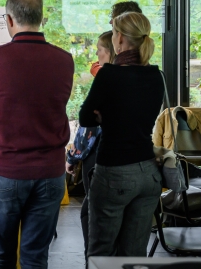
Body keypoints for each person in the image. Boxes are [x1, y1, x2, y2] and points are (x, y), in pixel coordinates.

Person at [0, 0, 74, 269]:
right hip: (50, 172)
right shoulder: (64, 60)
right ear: (41, 18)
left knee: (1, 255)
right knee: (36, 256)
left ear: (9, 20)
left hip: (6, 170)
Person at [79, 11, 164, 258]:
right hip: (149, 172)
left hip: (115, 171)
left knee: (101, 252)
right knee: (134, 254)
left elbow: (85, 117)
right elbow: (140, 114)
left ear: (119, 39)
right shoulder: (156, 75)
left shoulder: (109, 74)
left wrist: (104, 116)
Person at [66, 30, 115, 256]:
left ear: (110, 51)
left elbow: (88, 128)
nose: (96, 56)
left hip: (98, 157)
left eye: (99, 51)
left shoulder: (105, 80)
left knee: (91, 211)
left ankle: (92, 259)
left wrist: (72, 157)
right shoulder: (144, 76)